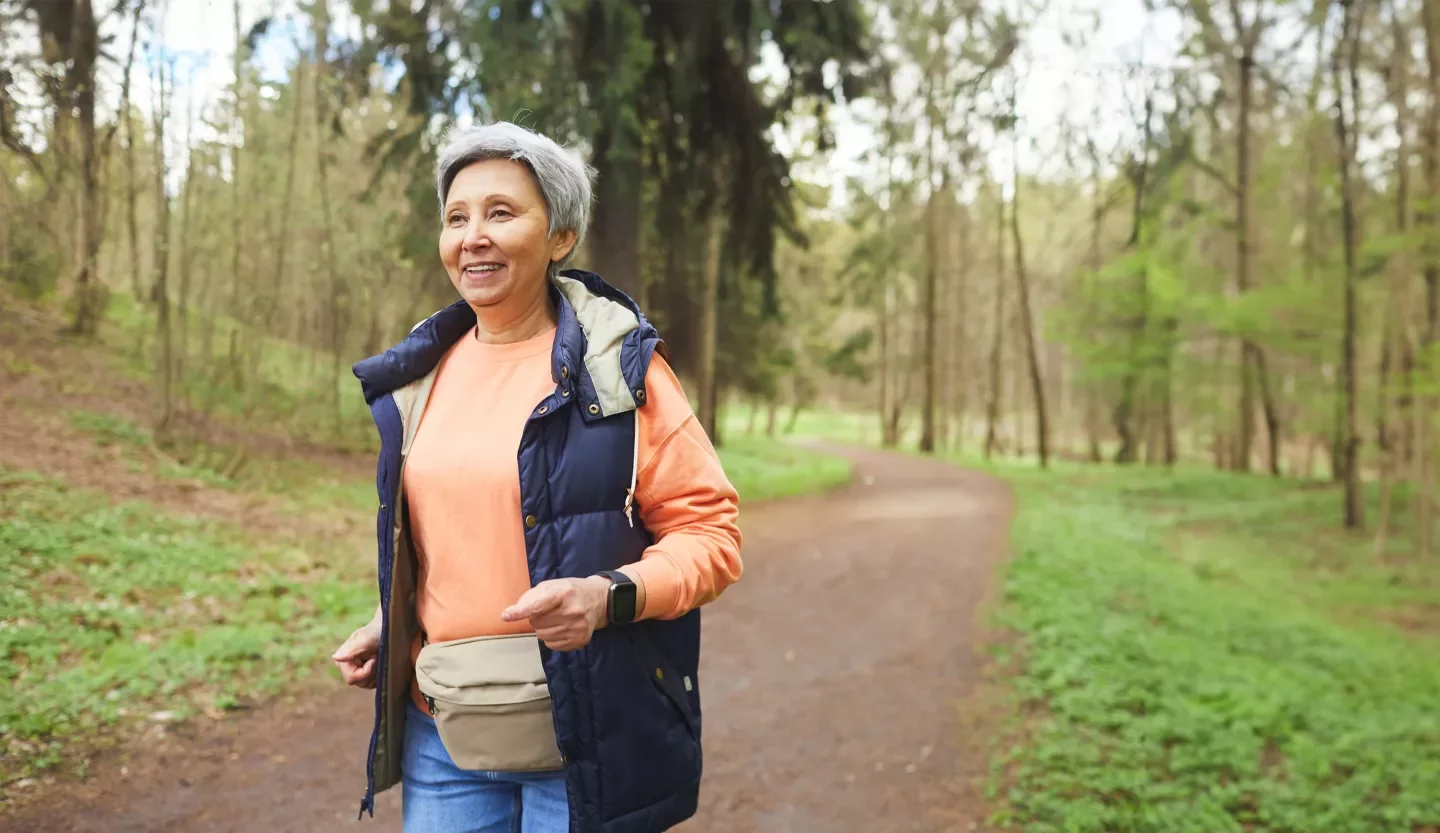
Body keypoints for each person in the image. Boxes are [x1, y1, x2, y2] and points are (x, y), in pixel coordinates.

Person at [330, 121, 743, 833]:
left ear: (561, 237)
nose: (473, 236)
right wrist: (391, 622)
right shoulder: (418, 379)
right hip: (445, 732)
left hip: (587, 731)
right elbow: (450, 548)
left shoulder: (622, 370)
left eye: (501, 212)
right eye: (456, 217)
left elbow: (711, 533)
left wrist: (607, 594)